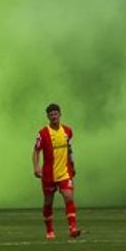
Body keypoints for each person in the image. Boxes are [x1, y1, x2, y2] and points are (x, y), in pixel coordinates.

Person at [32, 103, 81, 240]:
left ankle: (72, 228)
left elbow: (70, 149)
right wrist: (36, 167)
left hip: (65, 172)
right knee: (48, 202)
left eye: (56, 114)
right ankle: (49, 230)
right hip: (48, 174)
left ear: (60, 114)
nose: (54, 116)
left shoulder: (67, 131)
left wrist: (73, 164)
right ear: (48, 116)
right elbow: (36, 151)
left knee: (69, 197)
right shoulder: (43, 133)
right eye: (51, 114)